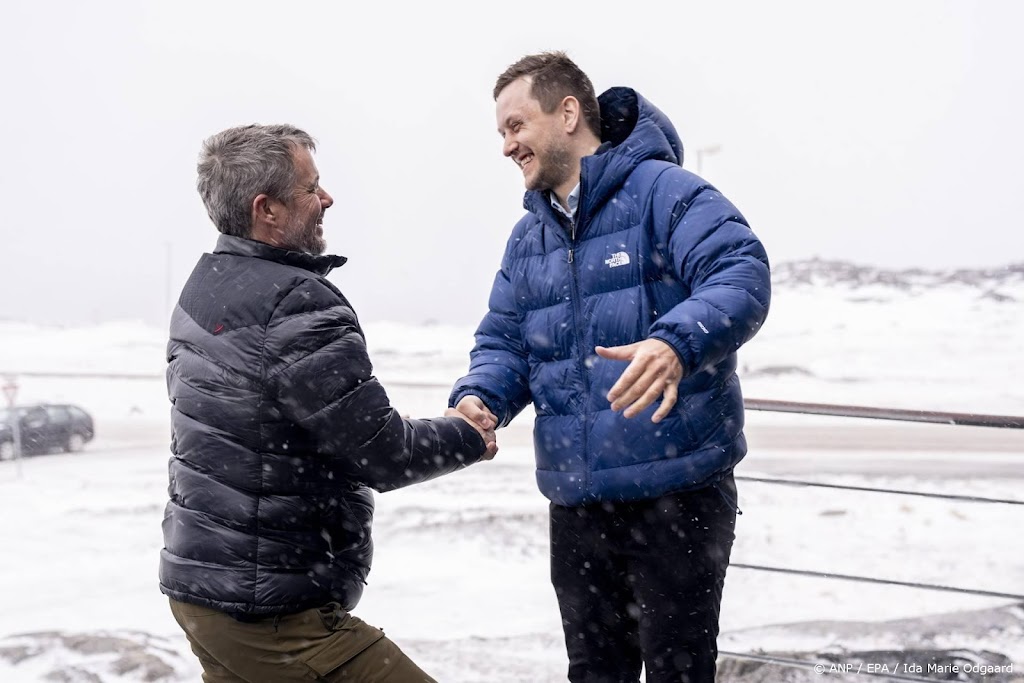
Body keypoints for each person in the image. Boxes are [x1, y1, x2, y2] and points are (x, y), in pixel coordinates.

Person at [450, 52, 771, 682]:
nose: (507, 146)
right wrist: (481, 396)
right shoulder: (529, 238)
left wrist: (676, 343)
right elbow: (507, 341)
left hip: (678, 494)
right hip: (579, 500)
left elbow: (742, 272)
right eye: (501, 133)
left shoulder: (664, 192)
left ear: (568, 113)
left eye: (516, 126)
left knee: (679, 672)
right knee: (594, 673)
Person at [161, 123, 497, 683]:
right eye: (311, 188)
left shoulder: (205, 287)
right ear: (266, 209)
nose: (327, 199)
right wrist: (466, 433)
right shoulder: (294, 303)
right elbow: (381, 452)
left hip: (205, 593)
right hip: (269, 614)